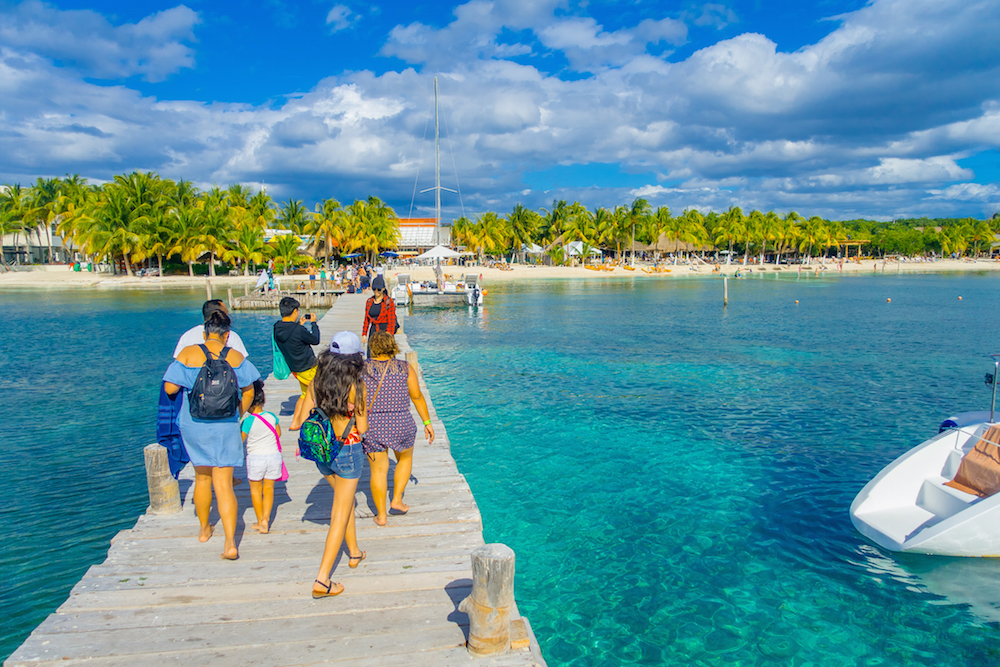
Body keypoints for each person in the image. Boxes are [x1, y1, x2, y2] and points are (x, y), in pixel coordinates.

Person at [163, 310, 260, 560]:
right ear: (227, 336)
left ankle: (205, 530)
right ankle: (230, 544)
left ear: (204, 333)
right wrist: (238, 413)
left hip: (194, 424)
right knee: (224, 484)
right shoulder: (236, 357)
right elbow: (250, 390)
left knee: (202, 478)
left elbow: (170, 388)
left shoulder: (188, 353)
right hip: (226, 424)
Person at [291, 331, 368, 599]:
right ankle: (323, 579)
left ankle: (355, 551)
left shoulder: (316, 381)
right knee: (340, 512)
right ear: (355, 359)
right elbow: (363, 427)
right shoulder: (356, 386)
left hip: (322, 454)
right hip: (347, 450)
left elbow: (303, 415)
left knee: (345, 503)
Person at [363, 331, 434, 526]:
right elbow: (417, 396)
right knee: (405, 459)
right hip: (401, 423)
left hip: (373, 425)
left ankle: (381, 515)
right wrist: (427, 423)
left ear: (372, 347)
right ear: (392, 346)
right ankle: (396, 500)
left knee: (378, 471)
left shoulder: (361, 369)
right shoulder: (405, 368)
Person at [241, 380, 283, 534]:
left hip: (256, 458)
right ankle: (266, 518)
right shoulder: (272, 417)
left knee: (255, 491)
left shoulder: (247, 421)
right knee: (269, 489)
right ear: (264, 401)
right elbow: (278, 434)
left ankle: (260, 521)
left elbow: (241, 440)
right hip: (273, 456)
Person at [273, 296, 320, 398]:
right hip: (309, 369)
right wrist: (314, 323)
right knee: (322, 392)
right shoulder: (298, 330)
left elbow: (290, 335)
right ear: (294, 311)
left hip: (296, 370)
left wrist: (299, 324)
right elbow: (315, 340)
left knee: (305, 395)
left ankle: (298, 415)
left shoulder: (276, 328)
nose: (298, 313)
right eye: (298, 310)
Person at [173, 300, 249, 359]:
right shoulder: (230, 335)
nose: (228, 314)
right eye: (226, 312)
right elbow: (241, 363)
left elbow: (177, 364)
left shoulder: (187, 336)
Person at [362, 276, 397, 357]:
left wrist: (389, 336)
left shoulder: (389, 301)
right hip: (373, 331)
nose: (376, 291)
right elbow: (366, 319)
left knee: (387, 355)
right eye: (374, 289)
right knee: (371, 356)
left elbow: (391, 321)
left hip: (385, 330)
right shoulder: (369, 301)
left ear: (383, 288)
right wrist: (364, 334)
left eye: (379, 289)